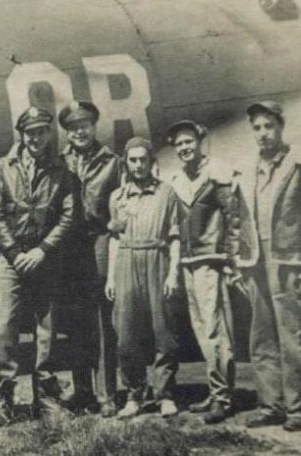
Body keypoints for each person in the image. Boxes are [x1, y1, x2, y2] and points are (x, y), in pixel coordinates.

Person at [235, 101, 301, 432]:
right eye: (257, 128)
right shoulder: (247, 171)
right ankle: (270, 405)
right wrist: (239, 260)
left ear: (280, 127)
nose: (263, 134)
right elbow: (238, 220)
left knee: (294, 338)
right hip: (256, 264)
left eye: (268, 126)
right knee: (261, 339)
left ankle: (300, 407)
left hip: (289, 264)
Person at [0, 106, 74, 426]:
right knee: (2, 328)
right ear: (21, 135)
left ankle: (47, 399)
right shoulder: (3, 166)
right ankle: (2, 399)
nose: (35, 138)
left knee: (47, 330)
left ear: (49, 134)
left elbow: (67, 215)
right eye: (30, 132)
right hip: (11, 259)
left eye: (41, 131)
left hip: (45, 258)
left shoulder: (60, 168)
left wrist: (43, 250)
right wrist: (14, 253)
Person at [167, 120, 239, 424]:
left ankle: (223, 399)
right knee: (201, 330)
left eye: (189, 142)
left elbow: (233, 220)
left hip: (211, 260)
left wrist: (232, 261)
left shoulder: (217, 174)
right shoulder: (177, 180)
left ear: (199, 142)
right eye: (179, 144)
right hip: (188, 263)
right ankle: (215, 391)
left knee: (215, 330)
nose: (184, 148)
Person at [105, 136, 181, 419]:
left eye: (143, 160)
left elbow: (175, 237)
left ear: (152, 162)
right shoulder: (118, 197)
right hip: (126, 259)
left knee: (164, 330)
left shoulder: (166, 193)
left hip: (157, 258)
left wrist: (173, 272)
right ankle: (134, 394)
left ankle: (165, 395)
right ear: (127, 163)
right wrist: (111, 278)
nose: (138, 165)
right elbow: (114, 238)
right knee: (125, 333)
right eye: (133, 160)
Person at [57, 101, 121, 417]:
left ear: (95, 126)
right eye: (72, 127)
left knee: (103, 321)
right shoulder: (58, 163)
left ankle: (107, 393)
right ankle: (81, 389)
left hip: (100, 242)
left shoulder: (113, 162)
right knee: (74, 321)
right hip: (69, 249)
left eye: (84, 125)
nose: (79, 131)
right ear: (66, 132)